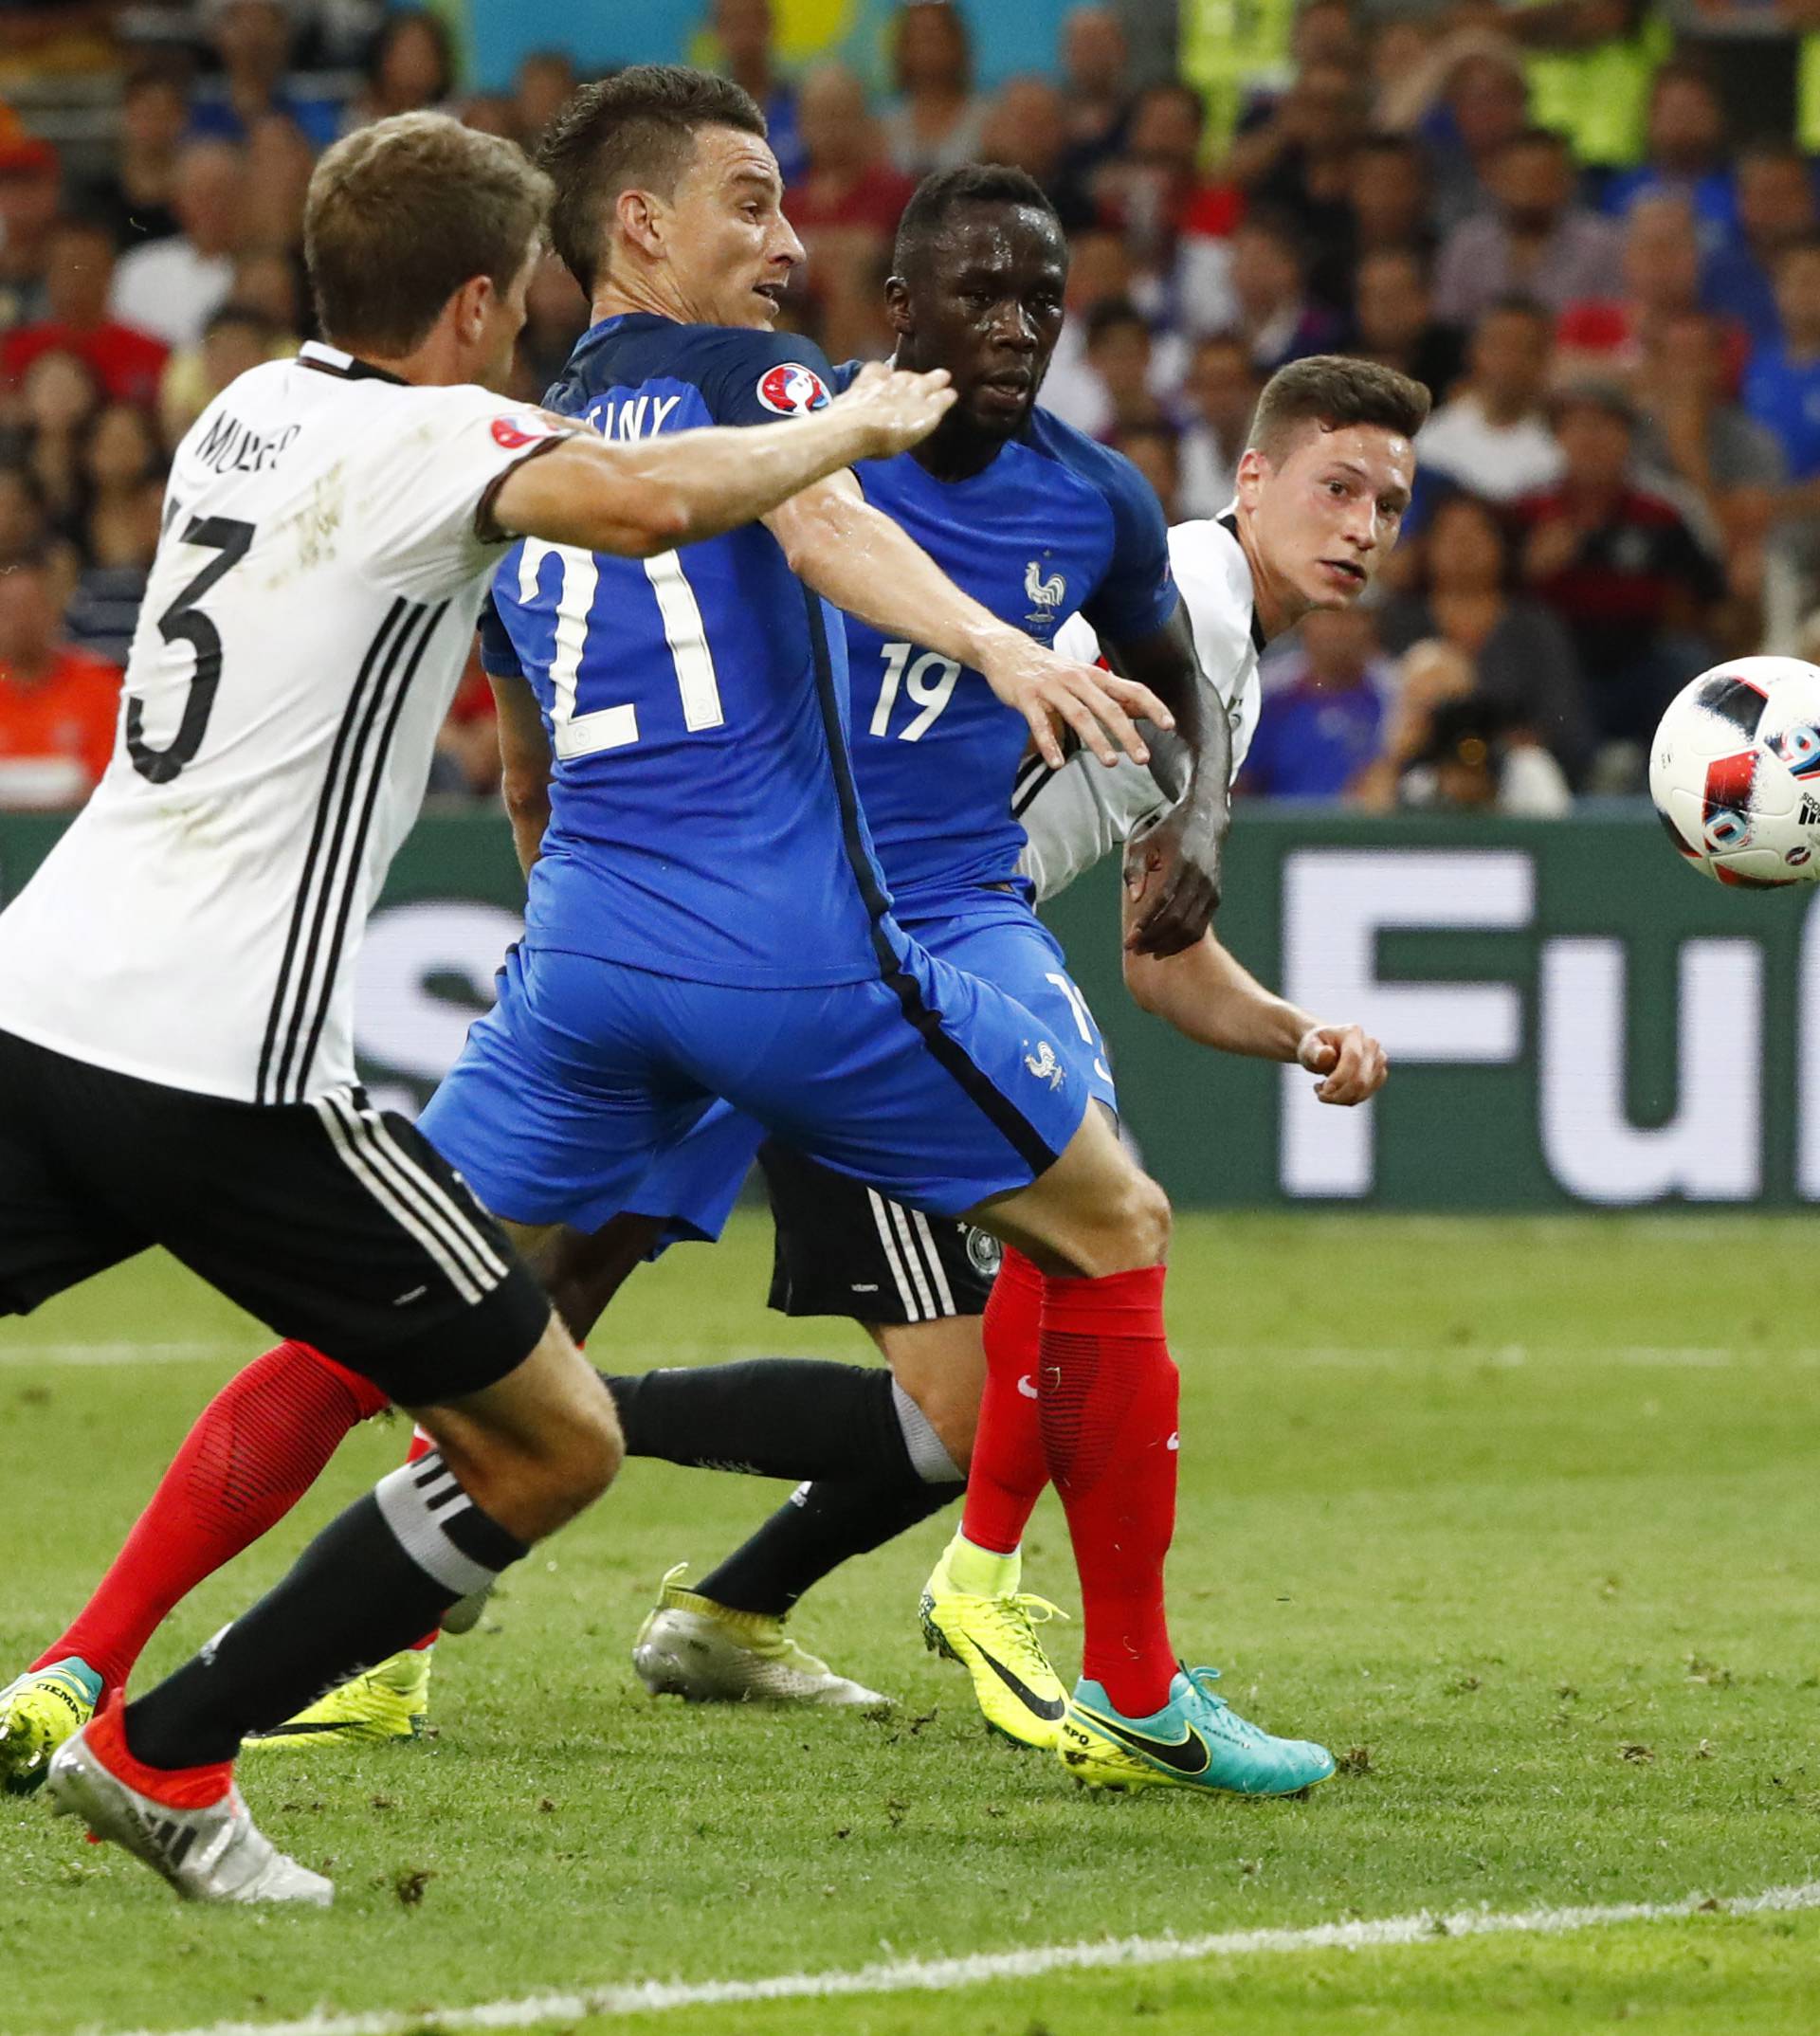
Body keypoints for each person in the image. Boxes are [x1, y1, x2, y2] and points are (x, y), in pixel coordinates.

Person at [0, 106, 963, 1898]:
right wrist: (863, 416)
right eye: (516, 296)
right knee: (551, 1437)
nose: (529, 324)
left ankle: (118, 1688)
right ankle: (167, 1752)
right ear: (468, 299)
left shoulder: (240, 408)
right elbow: (652, 501)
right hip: (230, 1068)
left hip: (37, 1001)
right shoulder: (437, 431)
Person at [1375, 488, 1592, 784]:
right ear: (1427, 546)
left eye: (1477, 533)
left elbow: (1564, 722)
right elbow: (1380, 710)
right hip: (1419, 773)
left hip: (1514, 781)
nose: (1463, 546)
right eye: (1449, 534)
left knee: (1531, 768)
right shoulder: (1399, 622)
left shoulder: (1534, 627)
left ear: (1502, 545)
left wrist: (1500, 750)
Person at [1431, 127, 1624, 326]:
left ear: (1568, 181)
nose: (1531, 188)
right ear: (1495, 180)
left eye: (1543, 177)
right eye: (1521, 177)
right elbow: (1449, 324)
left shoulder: (1603, 246)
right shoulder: (1466, 244)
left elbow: (1614, 325)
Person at [0, 215, 170, 409]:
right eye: (65, 267)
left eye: (84, 267)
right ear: (48, 274)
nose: (74, 280)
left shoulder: (150, 354)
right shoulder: (13, 352)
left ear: (109, 273)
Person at [0, 549, 120, 809]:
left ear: (52, 610)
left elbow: (115, 782)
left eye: (28, 608)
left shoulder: (99, 684)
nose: (17, 622)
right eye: (6, 610)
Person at [1238, 605, 1396, 802]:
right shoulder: (1269, 693)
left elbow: (1393, 773)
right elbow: (1239, 784)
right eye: (1328, 617)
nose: (1338, 631)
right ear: (1304, 621)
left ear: (1369, 625)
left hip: (1364, 828)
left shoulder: (1394, 693)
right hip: (1278, 828)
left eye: (1349, 619)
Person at [1416, 296, 1564, 504]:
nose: (1510, 360)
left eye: (1525, 348)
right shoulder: (1432, 442)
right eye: (1499, 345)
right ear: (1474, 352)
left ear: (1545, 360)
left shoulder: (1559, 451)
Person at [107, 140, 244, 350]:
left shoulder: (264, 271)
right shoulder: (139, 268)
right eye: (200, 195)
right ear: (178, 201)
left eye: (221, 193)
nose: (212, 206)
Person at [881, 0, 990, 180]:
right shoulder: (884, 126)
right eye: (918, 38)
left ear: (958, 43)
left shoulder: (988, 119)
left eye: (935, 37)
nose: (927, 49)